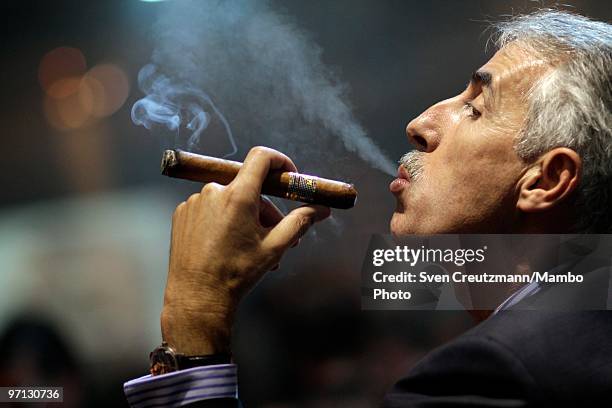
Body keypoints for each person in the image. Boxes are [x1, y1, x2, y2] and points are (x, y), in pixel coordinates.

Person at [124, 10, 612, 407]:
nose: (419, 124)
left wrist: (195, 320)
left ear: (547, 180)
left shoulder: (490, 373)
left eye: (474, 108)